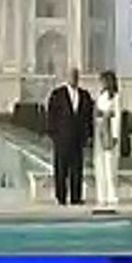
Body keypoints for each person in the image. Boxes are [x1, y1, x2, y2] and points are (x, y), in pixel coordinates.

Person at [46, 67, 93, 206]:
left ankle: (76, 197)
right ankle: (61, 197)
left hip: (78, 139)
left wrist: (88, 135)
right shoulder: (57, 94)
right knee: (61, 169)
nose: (74, 78)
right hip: (62, 139)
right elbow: (51, 116)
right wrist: (54, 135)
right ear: (66, 77)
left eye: (76, 76)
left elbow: (88, 117)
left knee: (77, 170)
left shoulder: (84, 95)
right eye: (72, 76)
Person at [92, 70, 121, 212]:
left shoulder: (115, 97)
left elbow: (117, 117)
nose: (102, 83)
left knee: (110, 167)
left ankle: (112, 196)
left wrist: (115, 136)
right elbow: (97, 115)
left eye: (104, 80)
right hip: (100, 133)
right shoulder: (101, 97)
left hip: (110, 134)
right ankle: (102, 195)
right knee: (100, 166)